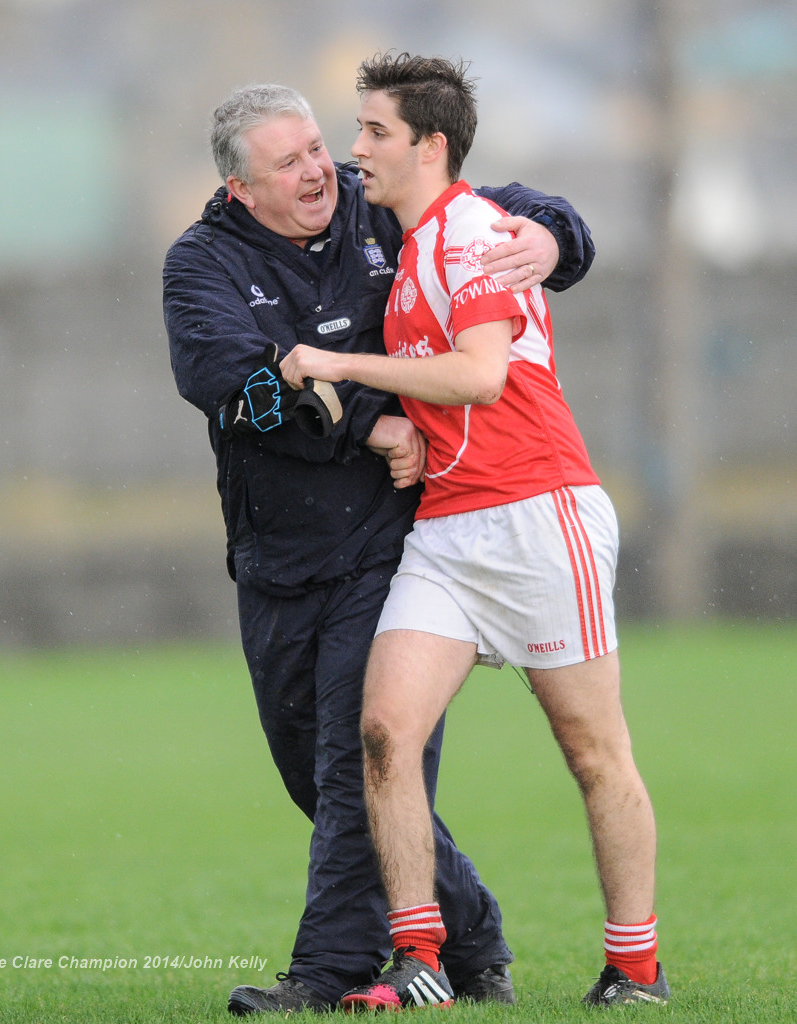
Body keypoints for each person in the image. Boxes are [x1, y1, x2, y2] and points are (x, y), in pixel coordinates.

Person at [163, 81, 596, 1013]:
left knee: (357, 762)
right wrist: (365, 421)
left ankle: (324, 974)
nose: (321, 169)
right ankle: (471, 932)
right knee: (319, 782)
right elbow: (236, 392)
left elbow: (506, 211)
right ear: (241, 188)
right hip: (276, 559)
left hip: (395, 548)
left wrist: (556, 238)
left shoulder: (383, 210)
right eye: (289, 162)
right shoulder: (198, 263)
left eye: (319, 147)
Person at [280, 52, 668, 1011]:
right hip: (449, 529)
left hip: (539, 514)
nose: (354, 148)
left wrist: (341, 361)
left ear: (430, 144)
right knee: (383, 732)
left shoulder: (467, 234)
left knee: (592, 752)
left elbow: (482, 376)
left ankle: (635, 968)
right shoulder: (411, 243)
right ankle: (419, 964)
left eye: (373, 131)